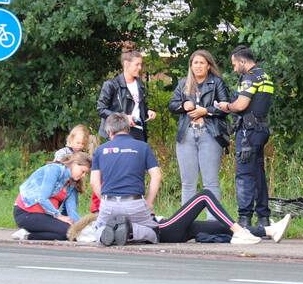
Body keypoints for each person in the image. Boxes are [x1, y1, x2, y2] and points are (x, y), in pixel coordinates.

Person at [216, 45, 275, 229]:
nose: (234, 69)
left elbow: (241, 104)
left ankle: (244, 219)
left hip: (248, 132)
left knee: (244, 175)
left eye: (235, 64)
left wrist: (227, 106)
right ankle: (263, 218)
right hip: (261, 129)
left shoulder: (249, 77)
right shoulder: (264, 76)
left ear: (242, 61)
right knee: (258, 173)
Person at [169, 49, 231, 207]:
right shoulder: (183, 83)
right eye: (195, 63)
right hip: (186, 135)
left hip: (210, 134)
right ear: (191, 65)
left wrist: (206, 111)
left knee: (211, 183)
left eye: (202, 63)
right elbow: (172, 105)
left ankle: (213, 220)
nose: (198, 66)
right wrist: (183, 104)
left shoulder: (217, 82)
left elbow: (226, 107)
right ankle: (187, 219)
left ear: (208, 66)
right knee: (188, 183)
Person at [90, 113, 162, 246]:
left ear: (109, 131)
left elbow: (94, 182)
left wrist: (105, 200)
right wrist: (149, 202)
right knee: (154, 232)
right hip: (134, 203)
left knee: (97, 229)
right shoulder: (143, 147)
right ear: (128, 128)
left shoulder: (100, 150)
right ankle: (131, 231)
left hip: (108, 204)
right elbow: (156, 176)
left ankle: (106, 232)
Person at [155, 189, 290, 244]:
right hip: (162, 228)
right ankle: (240, 232)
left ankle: (270, 231)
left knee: (222, 226)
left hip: (164, 225)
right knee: (204, 196)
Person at [12, 152, 92, 241]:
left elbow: (72, 211)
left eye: (86, 173)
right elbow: (42, 198)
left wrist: (81, 227)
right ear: (74, 164)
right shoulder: (54, 170)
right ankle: (27, 232)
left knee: (69, 234)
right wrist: (59, 216)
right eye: (82, 171)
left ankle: (27, 235)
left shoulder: (72, 184)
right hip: (26, 213)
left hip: (46, 216)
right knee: (68, 231)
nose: (83, 175)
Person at [97, 46, 155, 143]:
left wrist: (148, 111)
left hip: (138, 131)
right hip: (117, 132)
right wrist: (123, 117)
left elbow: (140, 108)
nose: (140, 68)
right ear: (126, 64)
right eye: (137, 64)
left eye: (141, 64)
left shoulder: (140, 85)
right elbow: (101, 109)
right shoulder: (111, 85)